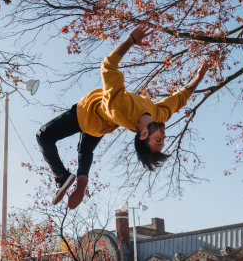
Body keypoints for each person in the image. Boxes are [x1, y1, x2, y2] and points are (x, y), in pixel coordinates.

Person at [36, 24, 209, 209]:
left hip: (85, 113)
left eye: (158, 139)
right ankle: (82, 179)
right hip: (100, 128)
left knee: (43, 136)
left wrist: (130, 41)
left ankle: (61, 176)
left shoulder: (119, 105)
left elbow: (108, 66)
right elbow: (180, 98)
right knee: (85, 151)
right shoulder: (160, 114)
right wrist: (198, 77)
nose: (164, 136)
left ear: (143, 135)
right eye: (162, 139)